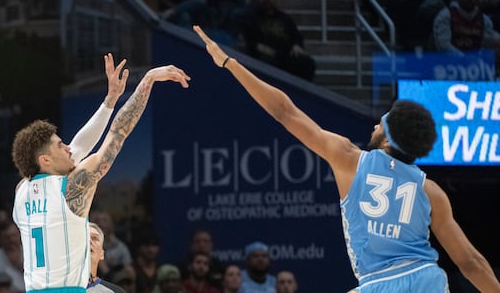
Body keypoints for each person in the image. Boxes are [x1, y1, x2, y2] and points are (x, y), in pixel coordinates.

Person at [193, 23, 500, 292]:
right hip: (426, 280)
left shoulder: (350, 159)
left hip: (378, 283)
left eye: (382, 122)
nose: (375, 123)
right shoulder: (430, 191)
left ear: (390, 136)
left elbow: (284, 112)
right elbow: (470, 262)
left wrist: (230, 63)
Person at [12, 59, 190, 293]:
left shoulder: (22, 191)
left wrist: (109, 101)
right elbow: (119, 132)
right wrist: (148, 81)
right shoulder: (72, 188)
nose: (68, 148)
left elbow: (78, 146)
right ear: (45, 160)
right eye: (60, 145)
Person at [239, 0, 316, 81]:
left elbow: (296, 36)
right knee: (266, 63)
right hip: (265, 55)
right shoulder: (252, 18)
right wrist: (257, 47)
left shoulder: (285, 18)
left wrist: (297, 45)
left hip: (286, 54)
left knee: (307, 63)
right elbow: (247, 40)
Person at [433, 0, 500, 60]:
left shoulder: (485, 20)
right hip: (449, 64)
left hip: (475, 65)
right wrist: (466, 59)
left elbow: (485, 46)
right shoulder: (445, 15)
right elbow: (443, 46)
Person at [0, 221, 25, 293]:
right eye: (7, 237)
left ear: (19, 235)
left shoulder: (30, 253)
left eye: (13, 236)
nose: (11, 240)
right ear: (0, 239)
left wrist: (19, 265)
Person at [88, 222, 126, 293]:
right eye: (84, 237)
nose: (89, 241)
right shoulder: (62, 287)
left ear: (101, 254)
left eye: (94, 238)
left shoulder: (115, 291)